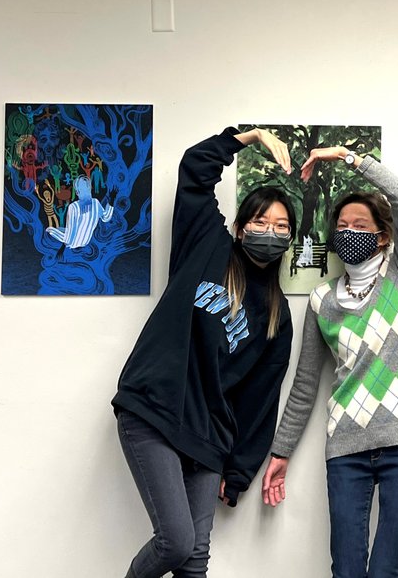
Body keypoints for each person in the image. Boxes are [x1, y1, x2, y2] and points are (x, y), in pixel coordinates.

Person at [111, 127, 296, 578]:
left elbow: (260, 399)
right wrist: (245, 137)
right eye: (260, 222)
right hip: (155, 407)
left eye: (281, 227)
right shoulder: (206, 244)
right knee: (175, 542)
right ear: (239, 226)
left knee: (194, 561)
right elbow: (195, 171)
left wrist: (240, 472)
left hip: (209, 436)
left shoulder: (277, 313)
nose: (269, 232)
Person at [262, 146, 398, 578]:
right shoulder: (322, 299)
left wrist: (349, 158)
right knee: (346, 571)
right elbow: (305, 385)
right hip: (346, 447)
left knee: (386, 571)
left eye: (360, 225)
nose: (348, 232)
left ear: (383, 235)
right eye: (341, 226)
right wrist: (281, 452)